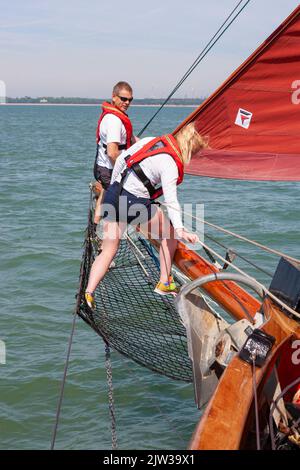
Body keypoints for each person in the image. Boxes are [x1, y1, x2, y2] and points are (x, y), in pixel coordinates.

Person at [85, 123, 208, 309]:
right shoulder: (171, 165)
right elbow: (172, 200)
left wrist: (117, 184)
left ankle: (89, 292)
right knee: (170, 234)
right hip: (134, 203)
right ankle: (164, 282)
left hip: (112, 195)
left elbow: (120, 161)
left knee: (108, 251)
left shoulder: (151, 141)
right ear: (189, 149)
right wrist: (182, 230)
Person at [93, 81, 137, 224]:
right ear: (114, 97)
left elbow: (130, 139)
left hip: (102, 167)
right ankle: (108, 239)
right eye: (123, 99)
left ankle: (94, 226)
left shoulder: (115, 117)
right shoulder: (114, 121)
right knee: (119, 206)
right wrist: (126, 169)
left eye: (130, 99)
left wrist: (149, 146)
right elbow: (112, 153)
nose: (127, 103)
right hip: (110, 169)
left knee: (105, 192)